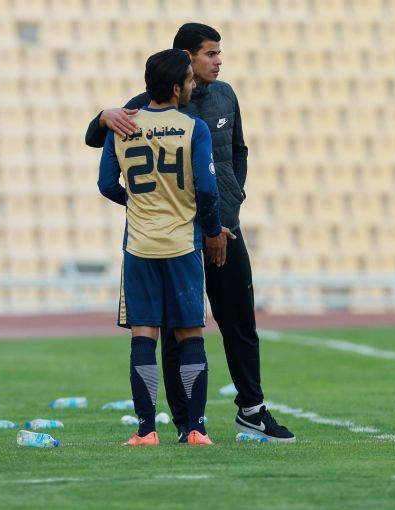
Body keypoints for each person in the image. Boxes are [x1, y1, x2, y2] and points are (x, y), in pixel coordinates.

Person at [87, 23, 295, 443]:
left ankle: (252, 410)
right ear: (187, 58)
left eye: (219, 53)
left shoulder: (225, 95)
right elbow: (96, 139)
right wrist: (102, 117)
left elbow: (238, 152)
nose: (219, 61)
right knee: (175, 329)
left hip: (224, 230)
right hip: (177, 233)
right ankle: (186, 421)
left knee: (239, 320)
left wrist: (229, 208)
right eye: (210, 53)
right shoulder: (147, 103)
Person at [98, 48, 235, 446]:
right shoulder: (194, 128)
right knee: (190, 335)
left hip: (140, 247)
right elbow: (207, 189)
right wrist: (212, 228)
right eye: (190, 81)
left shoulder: (122, 126)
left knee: (143, 336)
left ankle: (146, 430)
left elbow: (106, 184)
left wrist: (137, 203)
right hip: (182, 244)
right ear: (176, 88)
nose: (193, 86)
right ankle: (196, 429)